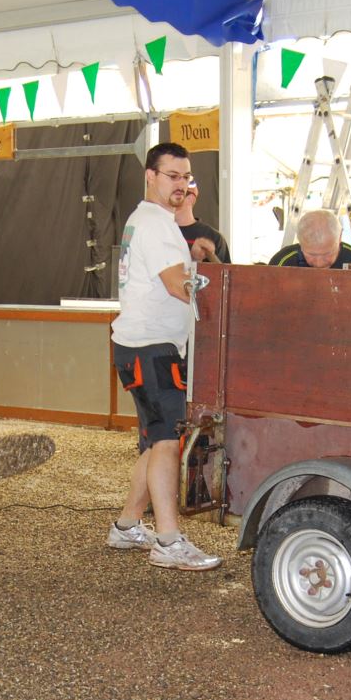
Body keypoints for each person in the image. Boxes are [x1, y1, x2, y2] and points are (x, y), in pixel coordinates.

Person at [106, 142, 221, 571]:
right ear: (150, 176)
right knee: (169, 443)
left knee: (157, 441)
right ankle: (169, 542)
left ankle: (127, 526)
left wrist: (190, 259)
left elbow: (166, 273)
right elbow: (176, 286)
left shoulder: (153, 223)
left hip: (143, 345)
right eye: (172, 176)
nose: (180, 184)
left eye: (186, 176)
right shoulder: (155, 224)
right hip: (151, 349)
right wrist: (210, 284)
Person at [266, 208, 351, 269]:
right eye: (311, 255)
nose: (319, 264)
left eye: (327, 254)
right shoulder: (282, 262)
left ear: (339, 237)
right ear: (300, 243)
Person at [176, 183, 230, 265]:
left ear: (191, 198)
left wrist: (211, 256)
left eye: (178, 195)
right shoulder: (159, 231)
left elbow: (225, 274)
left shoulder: (213, 237)